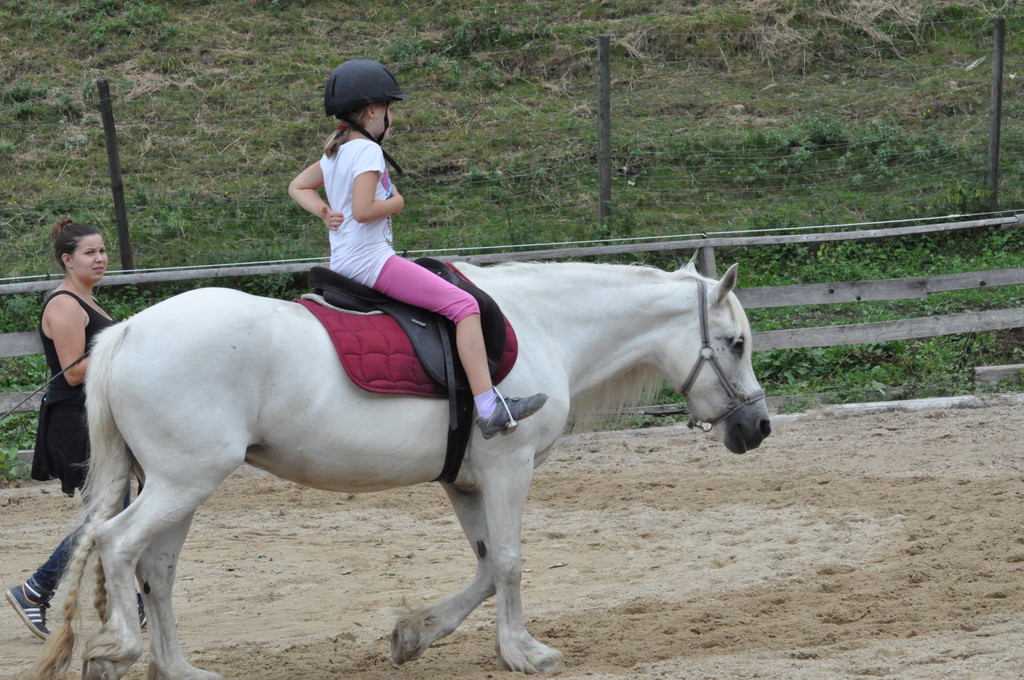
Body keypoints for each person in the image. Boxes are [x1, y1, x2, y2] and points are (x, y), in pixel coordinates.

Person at [289, 57, 546, 439]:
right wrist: (397, 203)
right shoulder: (367, 151)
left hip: (344, 261)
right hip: (371, 262)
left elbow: (297, 186)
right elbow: (363, 211)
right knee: (464, 306)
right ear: (372, 111)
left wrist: (322, 210)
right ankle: (489, 407)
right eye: (390, 109)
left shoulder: (337, 151)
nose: (392, 117)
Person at [6, 217, 144, 640]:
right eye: (90, 252)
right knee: (108, 515)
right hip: (76, 422)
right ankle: (35, 590)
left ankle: (128, 603)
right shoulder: (65, 304)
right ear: (68, 260)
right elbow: (73, 373)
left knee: (114, 513)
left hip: (95, 419)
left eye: (102, 251)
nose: (100, 258)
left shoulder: (88, 299)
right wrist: (125, 338)